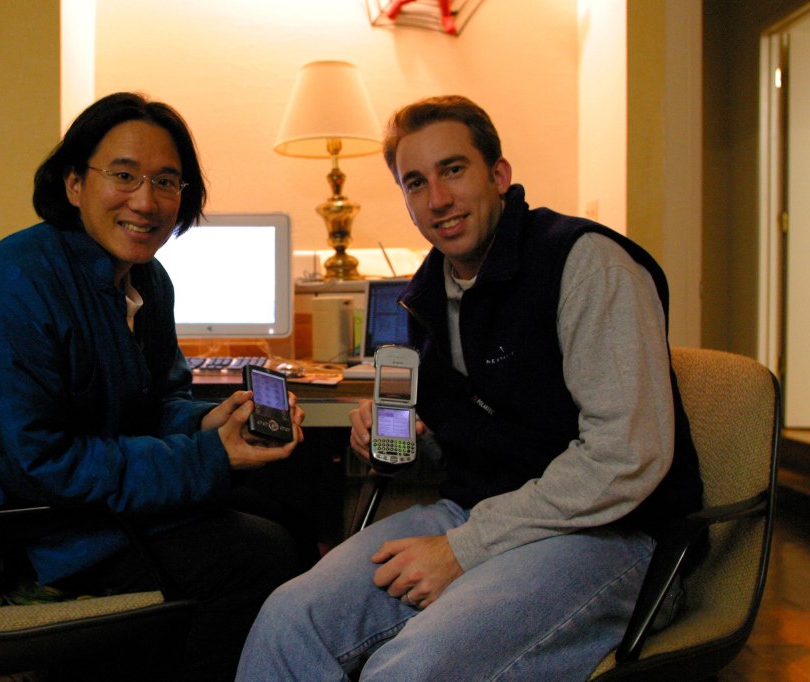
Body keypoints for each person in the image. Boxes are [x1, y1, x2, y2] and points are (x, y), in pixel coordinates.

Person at [235, 95, 704, 680]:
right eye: (415, 182)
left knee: (413, 667)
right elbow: (483, 432)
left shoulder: (586, 265)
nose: (437, 199)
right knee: (287, 619)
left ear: (499, 175)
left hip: (612, 535)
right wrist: (400, 444)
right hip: (477, 514)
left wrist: (466, 549)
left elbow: (626, 456)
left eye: (453, 170)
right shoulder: (427, 291)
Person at [0, 92, 305, 680]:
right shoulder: (17, 285)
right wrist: (205, 454)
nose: (146, 202)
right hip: (37, 530)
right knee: (257, 558)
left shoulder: (147, 281)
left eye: (167, 182)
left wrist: (207, 422)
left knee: (288, 504)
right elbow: (37, 463)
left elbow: (157, 401)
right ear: (74, 183)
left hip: (88, 505)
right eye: (123, 175)